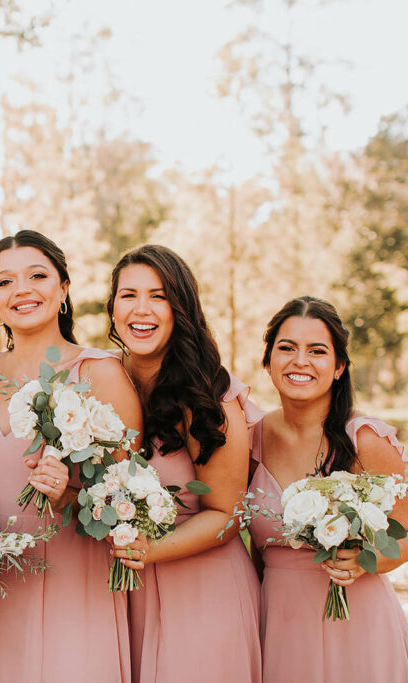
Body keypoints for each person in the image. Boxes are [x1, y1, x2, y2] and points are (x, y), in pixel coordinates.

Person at [0, 229, 141, 683]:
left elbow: (131, 494)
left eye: (37, 275)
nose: (21, 290)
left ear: (63, 288)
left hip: (74, 577)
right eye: (4, 282)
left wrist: (70, 493)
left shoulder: (99, 372)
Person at [105, 244, 262, 683]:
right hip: (123, 597)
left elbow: (227, 513)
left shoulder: (209, 393)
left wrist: (145, 549)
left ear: (182, 308)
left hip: (203, 593)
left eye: (159, 296)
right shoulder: (98, 382)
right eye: (128, 294)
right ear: (112, 308)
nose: (142, 309)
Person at [248, 296, 408, 682]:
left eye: (317, 351)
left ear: (339, 366)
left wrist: (363, 562)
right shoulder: (250, 440)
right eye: (286, 348)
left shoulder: (366, 440)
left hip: (357, 621)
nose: (300, 361)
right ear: (268, 361)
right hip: (278, 623)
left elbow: (407, 537)